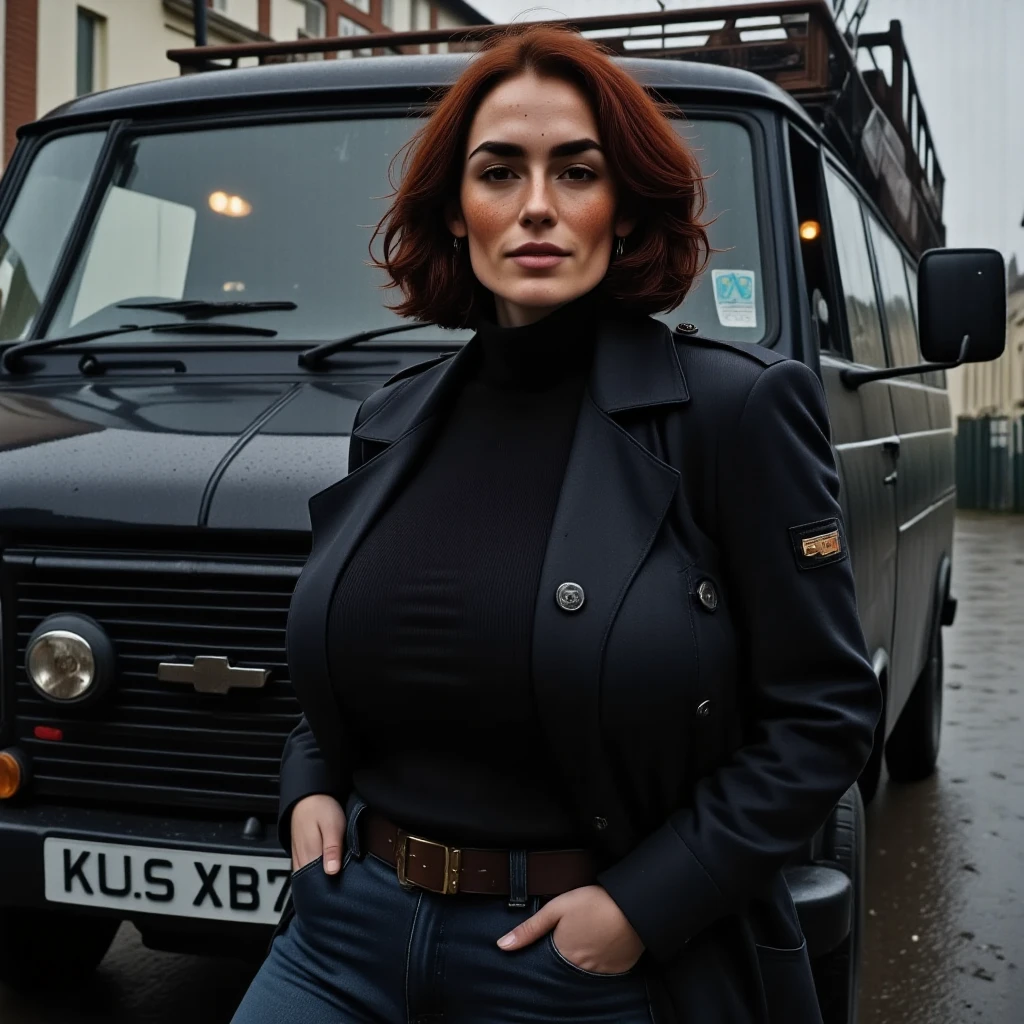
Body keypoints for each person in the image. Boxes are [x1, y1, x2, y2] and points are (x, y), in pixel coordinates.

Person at [231, 24, 881, 1024]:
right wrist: (307, 779)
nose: (537, 206)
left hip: (574, 964)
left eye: (575, 171)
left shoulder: (731, 412)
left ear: (622, 212)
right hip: (341, 936)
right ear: (456, 213)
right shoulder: (391, 417)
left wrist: (639, 904)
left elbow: (823, 712)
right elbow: (347, 664)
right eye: (500, 172)